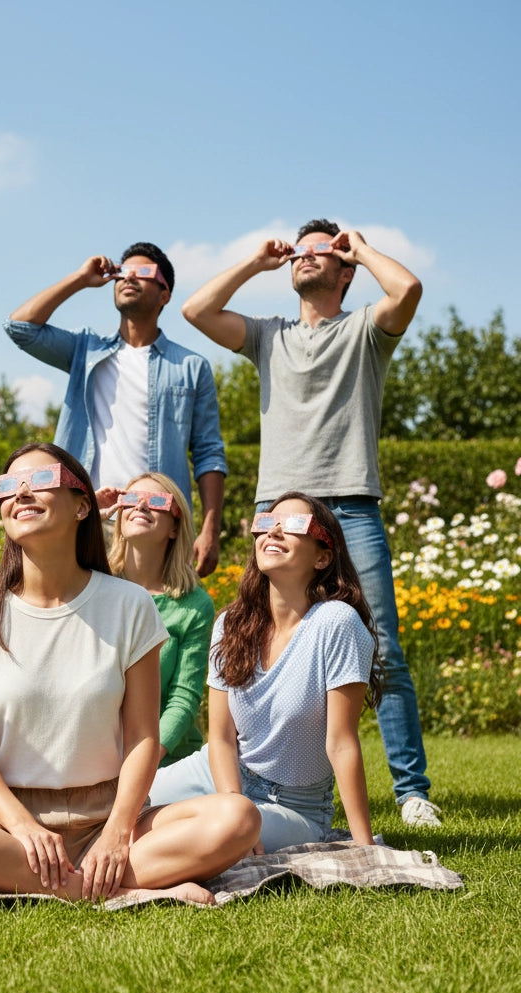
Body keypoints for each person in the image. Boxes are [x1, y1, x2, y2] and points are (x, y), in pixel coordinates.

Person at [0, 443, 259, 904]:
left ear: (82, 506)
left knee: (238, 817)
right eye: (8, 488)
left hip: (112, 814)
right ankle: (109, 889)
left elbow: (142, 735)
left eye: (40, 482)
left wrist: (117, 832)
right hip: (9, 823)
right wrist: (23, 827)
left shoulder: (129, 605)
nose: (21, 494)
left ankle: (81, 880)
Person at [181, 218, 440, 827]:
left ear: (344, 271)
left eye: (321, 253)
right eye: (301, 252)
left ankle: (411, 793)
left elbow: (408, 291)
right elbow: (196, 309)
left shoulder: (365, 330)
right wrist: (253, 263)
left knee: (383, 653)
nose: (306, 259)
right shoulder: (269, 336)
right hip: (278, 513)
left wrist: (365, 249)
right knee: (254, 637)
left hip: (351, 504)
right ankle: (256, 780)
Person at [150, 493, 380, 852]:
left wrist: (366, 850)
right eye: (266, 524)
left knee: (208, 834)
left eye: (293, 525)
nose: (273, 532)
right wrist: (233, 804)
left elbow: (341, 742)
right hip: (219, 775)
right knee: (124, 802)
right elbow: (222, 738)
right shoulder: (231, 623)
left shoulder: (336, 623)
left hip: (292, 806)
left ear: (323, 556)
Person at [4, 243, 226, 576]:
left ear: (165, 294)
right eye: (123, 272)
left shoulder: (191, 366)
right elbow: (20, 327)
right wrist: (80, 278)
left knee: (154, 621)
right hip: (88, 515)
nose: (130, 277)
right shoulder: (86, 349)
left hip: (153, 521)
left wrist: (210, 529)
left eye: (144, 273)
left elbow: (209, 454)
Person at [104, 472, 215, 775]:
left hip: (164, 762)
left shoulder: (194, 606)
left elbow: (183, 700)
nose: (140, 506)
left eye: (156, 501)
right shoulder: (91, 584)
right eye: (129, 500)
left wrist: (140, 770)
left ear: (175, 526)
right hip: (95, 761)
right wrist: (90, 514)